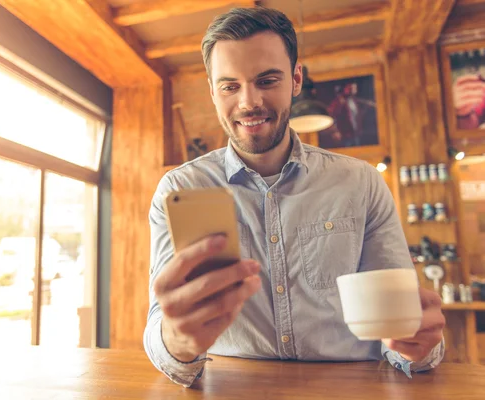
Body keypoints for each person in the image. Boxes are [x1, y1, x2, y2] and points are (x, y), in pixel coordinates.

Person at [144, 6, 445, 388]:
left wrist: (417, 346)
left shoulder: (362, 183)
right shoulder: (178, 190)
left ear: (296, 79)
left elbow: (401, 328)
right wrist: (176, 341)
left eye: (267, 80)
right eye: (230, 86)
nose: (248, 102)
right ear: (213, 91)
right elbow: (160, 331)